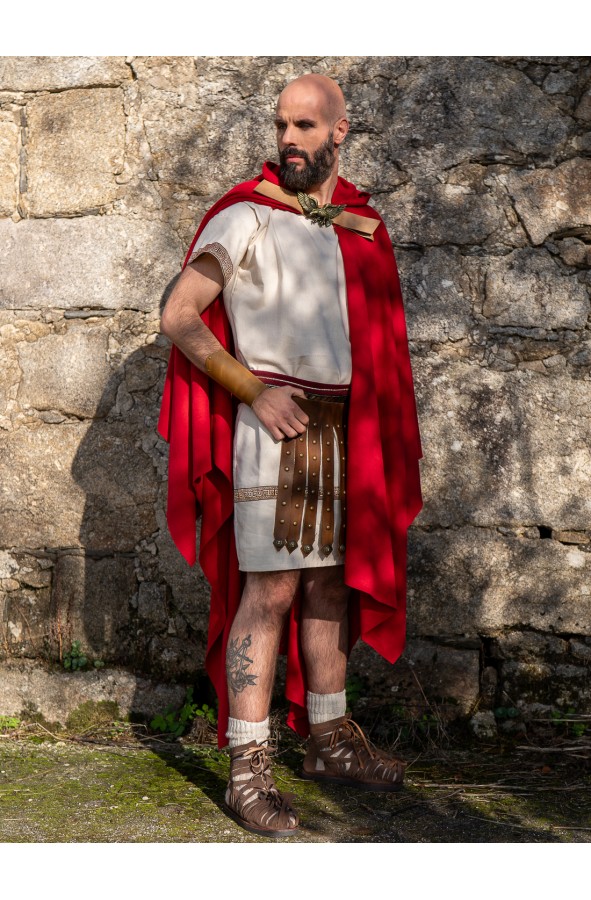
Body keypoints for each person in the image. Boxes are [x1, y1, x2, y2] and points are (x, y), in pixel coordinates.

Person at [158, 73, 423, 838]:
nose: (288, 140)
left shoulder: (357, 224)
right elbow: (179, 314)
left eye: (305, 126)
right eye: (281, 125)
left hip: (348, 431)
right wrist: (249, 390)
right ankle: (247, 767)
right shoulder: (246, 215)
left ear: (340, 131)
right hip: (274, 425)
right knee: (268, 594)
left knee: (331, 591)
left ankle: (330, 742)